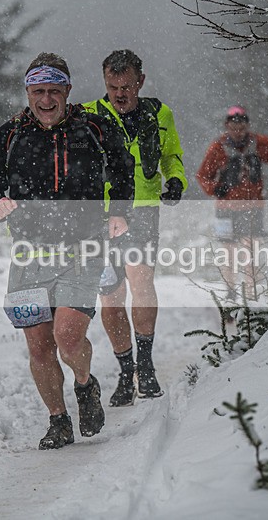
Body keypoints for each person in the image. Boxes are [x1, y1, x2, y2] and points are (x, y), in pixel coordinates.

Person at [0, 53, 135, 450]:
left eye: (53, 91)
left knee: (66, 336)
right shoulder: (11, 133)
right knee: (39, 345)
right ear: (28, 92)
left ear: (67, 91)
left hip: (84, 248)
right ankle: (58, 420)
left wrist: (118, 212)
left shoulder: (93, 127)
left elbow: (122, 167)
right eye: (37, 91)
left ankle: (85, 384)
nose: (45, 100)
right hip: (30, 254)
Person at [83, 50, 187, 407]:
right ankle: (126, 370)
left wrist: (175, 179)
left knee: (141, 280)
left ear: (140, 81)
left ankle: (146, 363)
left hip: (143, 208)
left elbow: (172, 155)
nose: (120, 94)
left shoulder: (160, 113)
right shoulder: (88, 116)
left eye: (126, 86)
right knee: (110, 294)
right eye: (113, 87)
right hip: (101, 212)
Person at [196, 105, 268, 301]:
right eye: (233, 128)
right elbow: (203, 175)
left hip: (253, 207)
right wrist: (214, 188)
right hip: (225, 209)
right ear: (226, 126)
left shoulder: (259, 143)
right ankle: (230, 292)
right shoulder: (218, 147)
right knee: (228, 252)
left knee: (251, 253)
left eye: (241, 128)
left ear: (247, 126)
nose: (238, 132)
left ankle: (251, 294)